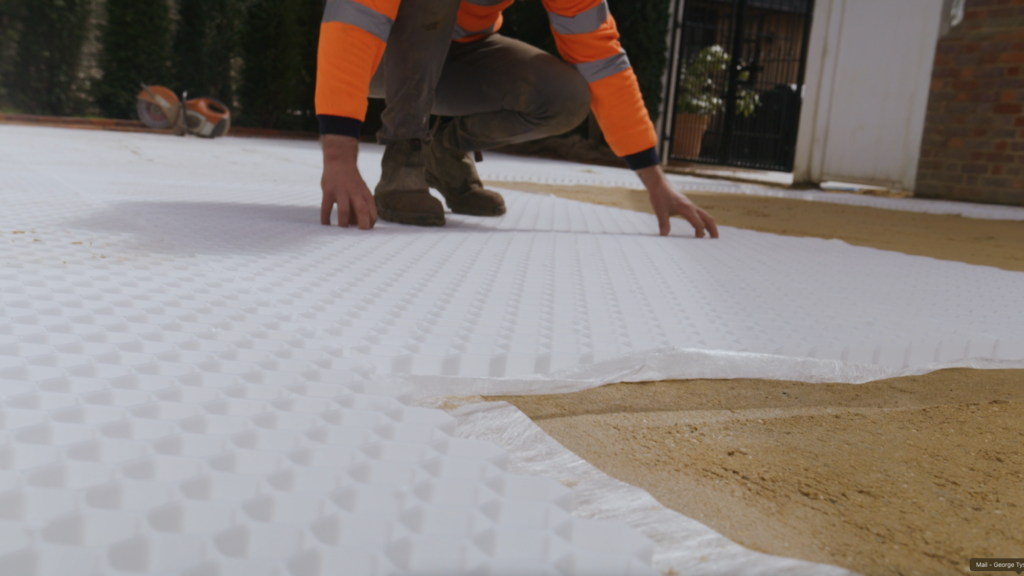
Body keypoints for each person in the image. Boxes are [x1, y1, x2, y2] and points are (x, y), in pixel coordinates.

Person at [316, 0, 719, 238]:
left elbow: (601, 57)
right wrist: (338, 157)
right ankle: (405, 156)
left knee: (565, 97)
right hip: (384, 57)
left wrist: (655, 180)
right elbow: (355, 18)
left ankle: (446, 150)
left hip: (458, 58)